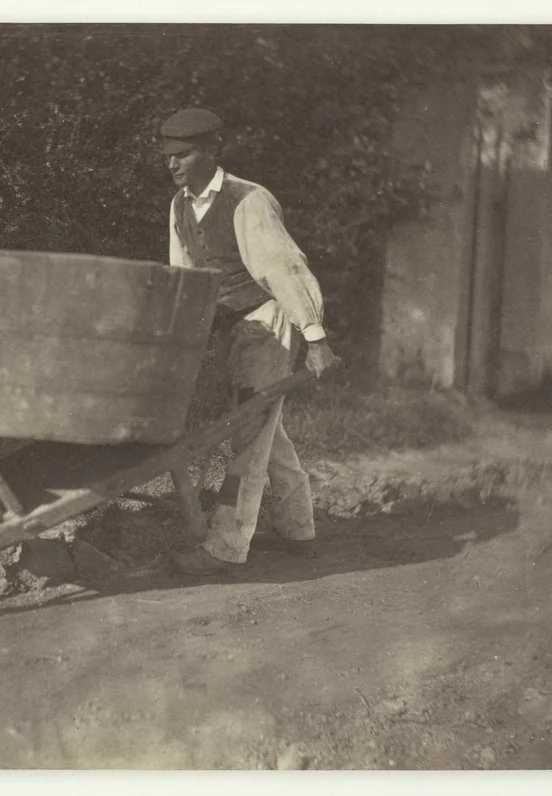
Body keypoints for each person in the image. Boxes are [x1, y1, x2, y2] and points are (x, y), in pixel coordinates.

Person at [160, 107, 340, 575]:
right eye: (168, 156)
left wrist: (315, 336)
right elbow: (186, 279)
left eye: (183, 155)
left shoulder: (248, 201)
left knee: (248, 435)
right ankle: (298, 528)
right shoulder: (179, 205)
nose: (172, 164)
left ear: (210, 152)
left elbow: (285, 269)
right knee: (263, 429)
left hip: (267, 320)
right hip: (229, 328)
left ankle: (224, 547)